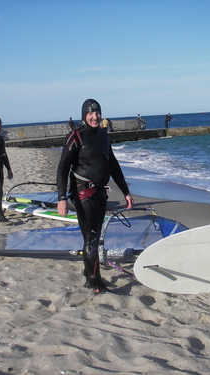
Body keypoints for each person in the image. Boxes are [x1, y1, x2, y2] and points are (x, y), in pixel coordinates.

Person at [57, 99, 134, 294]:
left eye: (97, 113)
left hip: (100, 192)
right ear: (84, 115)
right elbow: (63, 167)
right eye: (91, 113)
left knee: (93, 236)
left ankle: (88, 273)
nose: (95, 117)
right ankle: (94, 282)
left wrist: (126, 191)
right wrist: (62, 198)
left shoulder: (103, 136)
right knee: (92, 238)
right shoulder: (76, 136)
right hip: (83, 192)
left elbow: (113, 165)